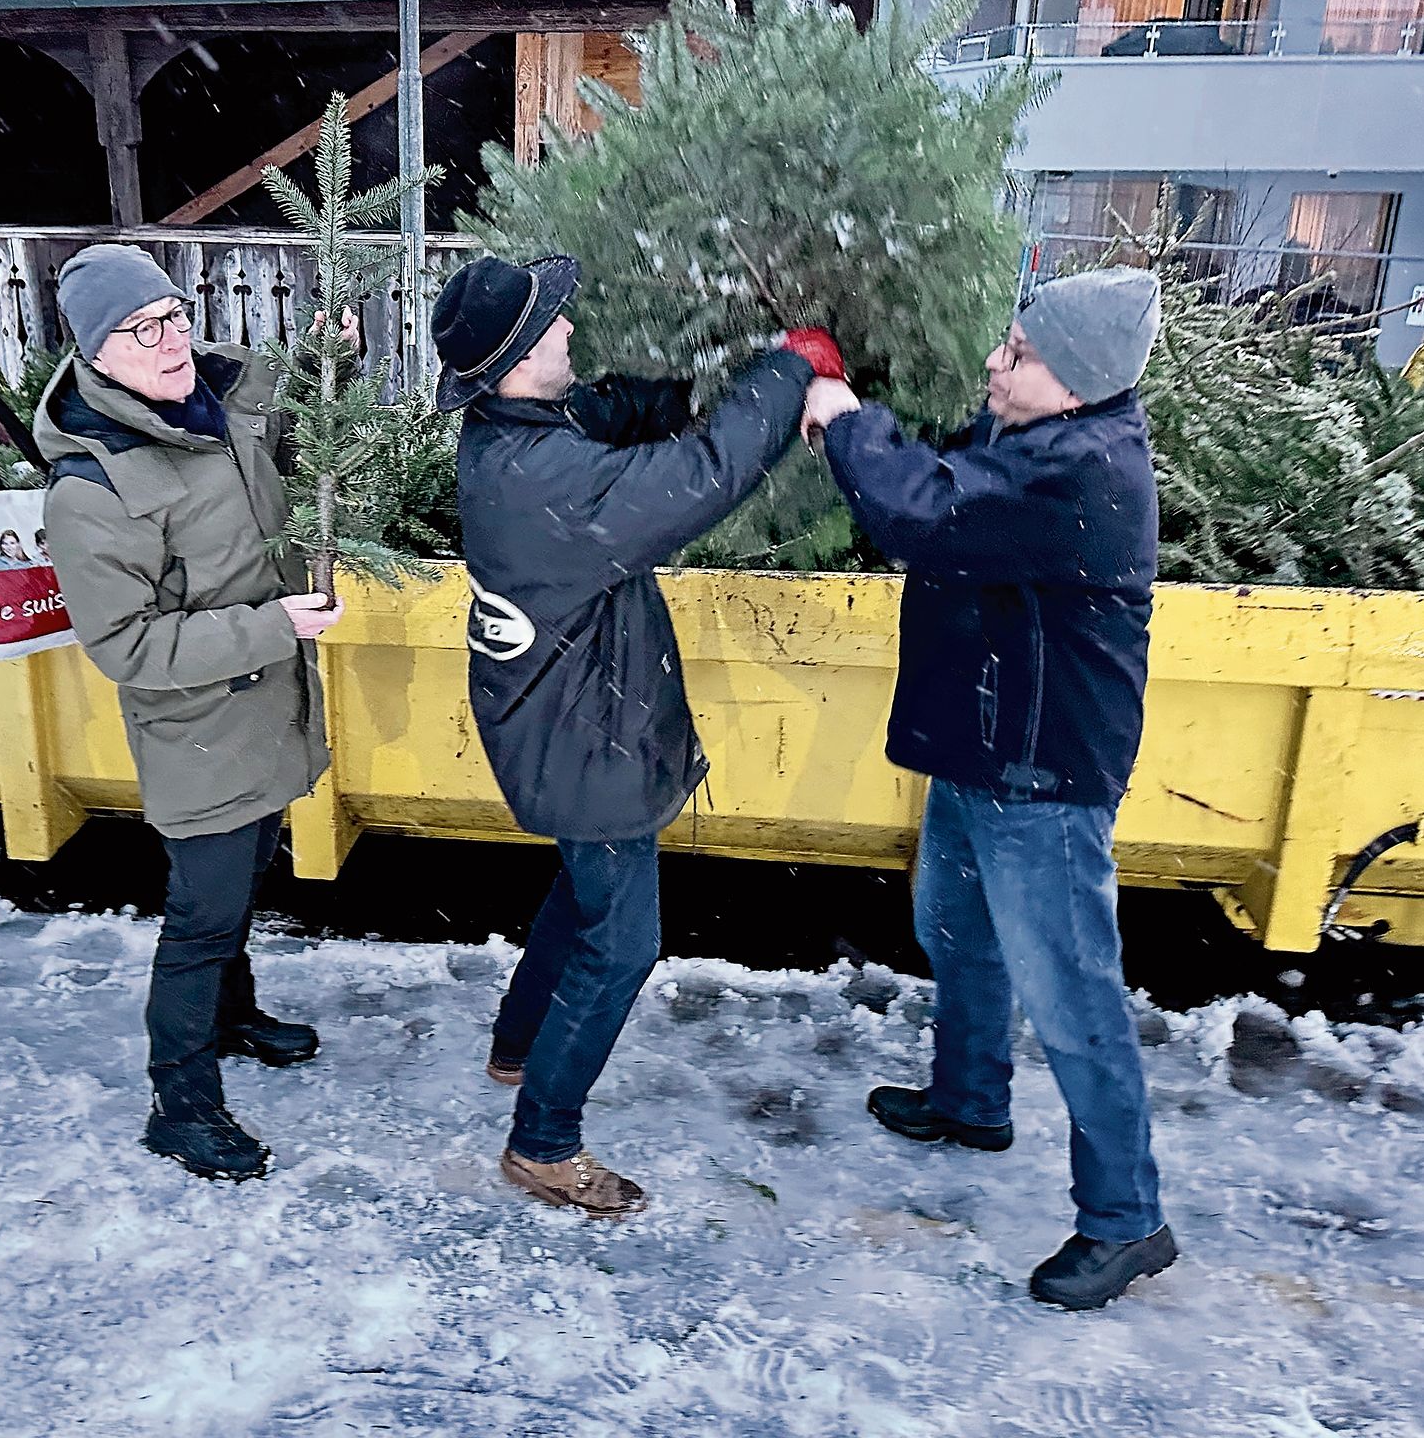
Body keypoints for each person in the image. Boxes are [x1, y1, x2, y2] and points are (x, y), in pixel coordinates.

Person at [802, 268, 1176, 1310]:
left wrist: (841, 423)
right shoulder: (1038, 435)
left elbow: (925, 512)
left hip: (1043, 771)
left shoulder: (1082, 469)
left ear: (1077, 382)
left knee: (1073, 995)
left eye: (1018, 354)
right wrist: (854, 421)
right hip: (988, 741)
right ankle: (971, 1099)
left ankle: (1124, 1219)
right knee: (953, 926)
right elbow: (940, 467)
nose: (993, 363)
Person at [430, 254, 824, 1216]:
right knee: (624, 942)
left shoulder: (515, 436)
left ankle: (519, 1046)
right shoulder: (543, 480)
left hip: (567, 722)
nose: (572, 330)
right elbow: (701, 476)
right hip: (584, 739)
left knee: (583, 891)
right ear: (520, 356)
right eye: (555, 323)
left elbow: (615, 415)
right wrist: (789, 371)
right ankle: (544, 1144)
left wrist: (705, 378)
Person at [37, 243, 347, 1182]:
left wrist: (325, 360)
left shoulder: (216, 402)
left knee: (247, 877)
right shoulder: (94, 486)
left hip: (268, 707)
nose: (169, 340)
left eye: (171, 314)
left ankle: (232, 1014)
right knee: (200, 919)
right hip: (202, 730)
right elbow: (125, 646)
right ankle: (181, 1101)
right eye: (139, 331)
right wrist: (273, 626)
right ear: (95, 355)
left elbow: (275, 444)